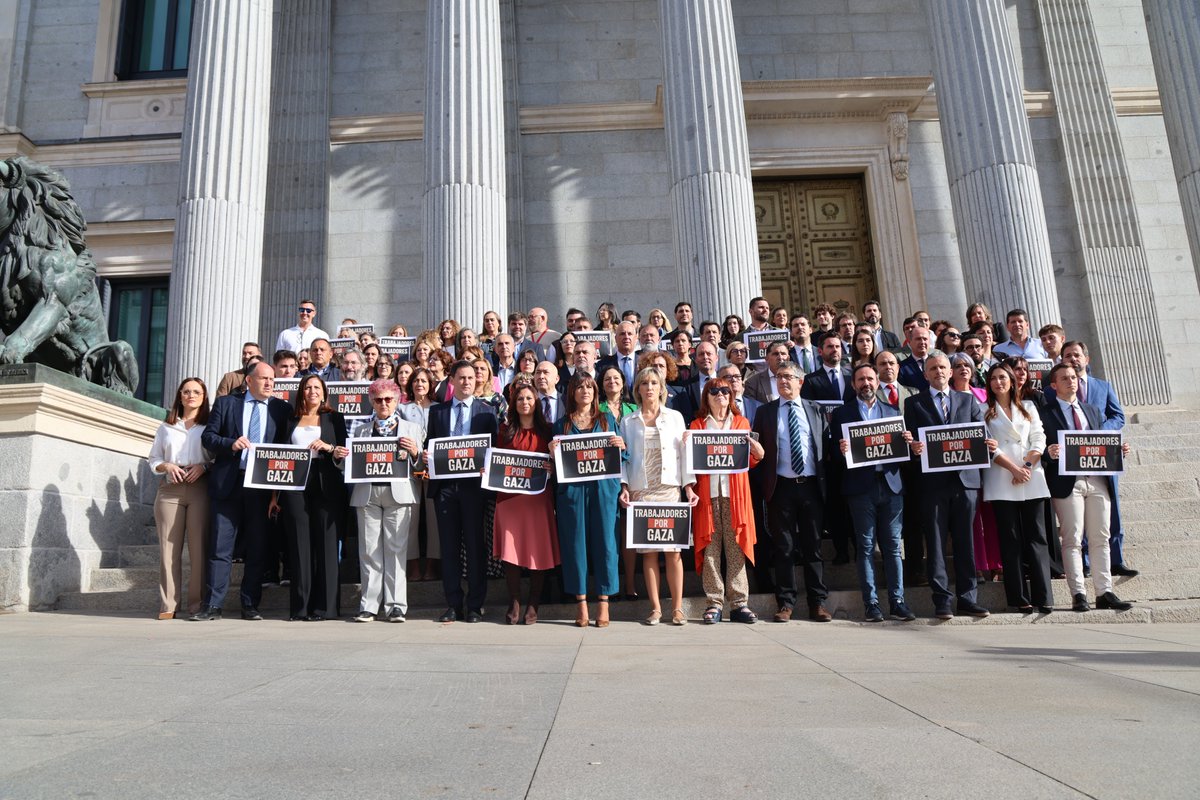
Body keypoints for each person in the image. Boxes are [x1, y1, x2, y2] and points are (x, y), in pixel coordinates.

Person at [192, 361, 292, 621]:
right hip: (229, 484)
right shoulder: (226, 404)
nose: (270, 383)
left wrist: (275, 495)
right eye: (264, 379)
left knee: (258, 548)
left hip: (261, 487)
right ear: (249, 381)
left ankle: (250, 605)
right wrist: (231, 444)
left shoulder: (282, 410)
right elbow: (208, 438)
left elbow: (286, 449)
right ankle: (212, 605)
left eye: (272, 379)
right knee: (220, 547)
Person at [905, 351, 996, 619]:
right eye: (933, 368)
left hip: (965, 482)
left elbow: (981, 433)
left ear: (951, 370)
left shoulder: (967, 401)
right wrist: (914, 447)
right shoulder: (914, 404)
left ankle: (968, 598)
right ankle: (942, 599)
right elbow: (909, 442)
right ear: (925, 374)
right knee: (934, 544)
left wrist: (989, 443)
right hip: (932, 485)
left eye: (943, 367)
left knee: (965, 541)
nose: (939, 372)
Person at [1042, 363, 1133, 612]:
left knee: (1100, 537)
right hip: (1067, 483)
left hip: (1096, 479)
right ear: (1053, 384)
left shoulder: (1092, 411)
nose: (1071, 381)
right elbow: (1039, 448)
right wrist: (1048, 453)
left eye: (1073, 377)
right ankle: (1078, 593)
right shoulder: (1045, 413)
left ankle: (1104, 592)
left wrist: (1118, 450)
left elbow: (1098, 443)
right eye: (1064, 378)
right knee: (1072, 538)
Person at [831, 364, 916, 622]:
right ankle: (871, 604)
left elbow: (904, 455)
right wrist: (841, 448)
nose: (866, 383)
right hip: (860, 488)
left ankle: (898, 602)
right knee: (866, 546)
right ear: (853, 384)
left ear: (877, 382)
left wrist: (908, 443)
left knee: (892, 547)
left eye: (870, 378)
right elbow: (833, 456)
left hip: (891, 486)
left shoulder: (892, 411)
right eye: (860, 379)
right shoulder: (841, 414)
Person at [750, 363, 832, 623]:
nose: (783, 381)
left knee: (813, 548)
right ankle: (785, 603)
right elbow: (758, 453)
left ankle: (817, 602)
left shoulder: (816, 410)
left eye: (789, 377)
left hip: (811, 487)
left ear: (801, 380)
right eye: (780, 377)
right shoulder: (765, 412)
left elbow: (825, 447)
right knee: (784, 548)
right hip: (781, 488)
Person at [619, 368, 698, 626]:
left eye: (654, 382)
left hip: (669, 490)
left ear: (662, 387)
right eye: (645, 383)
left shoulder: (675, 417)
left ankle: (677, 608)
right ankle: (654, 608)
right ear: (638, 389)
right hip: (642, 491)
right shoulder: (628, 421)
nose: (650, 387)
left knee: (673, 551)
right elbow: (624, 458)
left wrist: (688, 486)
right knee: (649, 552)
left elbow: (684, 453)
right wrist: (624, 486)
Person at [425, 360, 499, 623]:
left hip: (474, 489)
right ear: (452, 380)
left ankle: (475, 605)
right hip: (445, 488)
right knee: (449, 547)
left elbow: (494, 450)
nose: (467, 382)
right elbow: (430, 445)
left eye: (471, 377)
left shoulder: (487, 412)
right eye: (462, 378)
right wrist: (426, 455)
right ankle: (453, 604)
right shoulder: (438, 412)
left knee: (475, 546)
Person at [271, 374, 348, 621]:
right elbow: (278, 455)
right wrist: (274, 495)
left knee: (326, 545)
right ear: (301, 392)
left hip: (326, 483)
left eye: (316, 387)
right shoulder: (289, 419)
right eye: (308, 387)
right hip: (294, 485)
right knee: (299, 545)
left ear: (324, 392)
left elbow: (345, 453)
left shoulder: (334, 418)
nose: (312, 391)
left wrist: (328, 447)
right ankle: (301, 608)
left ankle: (326, 608)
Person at [551, 373, 625, 627]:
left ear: (596, 392)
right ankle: (581, 602)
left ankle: (603, 601)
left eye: (589, 387)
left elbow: (621, 457)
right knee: (575, 545)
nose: (585, 390)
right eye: (580, 387)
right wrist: (552, 452)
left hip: (603, 489)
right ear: (571, 392)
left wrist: (620, 445)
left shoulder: (606, 420)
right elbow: (555, 464)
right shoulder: (562, 424)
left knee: (606, 542)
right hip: (573, 491)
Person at [689, 377, 763, 624]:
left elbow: (749, 462)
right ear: (706, 397)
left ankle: (739, 603)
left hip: (736, 495)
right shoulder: (697, 425)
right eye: (714, 391)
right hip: (707, 495)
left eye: (725, 390)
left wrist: (757, 452)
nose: (720, 394)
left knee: (736, 548)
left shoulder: (742, 423)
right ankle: (714, 603)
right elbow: (690, 462)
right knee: (710, 549)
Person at [348, 379, 422, 622]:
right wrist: (341, 457)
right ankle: (369, 605)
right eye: (378, 399)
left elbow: (422, 467)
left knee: (396, 550)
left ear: (397, 400)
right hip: (367, 494)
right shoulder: (359, 430)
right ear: (371, 401)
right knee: (369, 551)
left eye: (388, 399)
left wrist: (415, 453)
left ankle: (396, 605)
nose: (383, 404)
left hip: (398, 494)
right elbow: (350, 465)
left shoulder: (412, 429)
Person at [982, 364, 1053, 614]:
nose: (998, 382)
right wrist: (1013, 469)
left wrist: (1025, 466)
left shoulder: (1030, 407)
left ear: (1012, 381)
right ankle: (1018, 597)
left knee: (1037, 538)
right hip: (1003, 479)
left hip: (1031, 476)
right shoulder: (983, 411)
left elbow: (1039, 439)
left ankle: (1044, 596)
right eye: (993, 378)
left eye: (1003, 377)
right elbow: (989, 446)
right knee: (1010, 540)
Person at [492, 383, 560, 625]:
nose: (524, 402)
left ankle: (534, 601)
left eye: (529, 398)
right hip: (509, 500)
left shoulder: (548, 431)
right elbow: (497, 461)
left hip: (537, 500)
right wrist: (489, 469)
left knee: (537, 551)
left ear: (536, 402)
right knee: (511, 553)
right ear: (514, 403)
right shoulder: (504, 430)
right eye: (520, 398)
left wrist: (553, 466)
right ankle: (515, 601)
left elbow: (558, 463)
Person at [148, 377, 213, 620]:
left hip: (200, 487)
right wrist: (166, 466)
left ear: (204, 396)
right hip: (170, 489)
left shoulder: (209, 425)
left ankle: (196, 605)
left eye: (196, 391)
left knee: (198, 548)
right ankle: (168, 604)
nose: (191, 395)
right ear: (180, 396)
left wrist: (204, 467)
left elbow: (217, 456)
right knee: (168, 549)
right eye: (186, 391)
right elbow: (153, 459)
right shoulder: (166, 426)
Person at [400, 367, 439, 581]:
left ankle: (432, 565)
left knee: (434, 520)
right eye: (415, 380)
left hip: (434, 470)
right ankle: (413, 565)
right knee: (410, 519)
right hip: (409, 469)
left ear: (430, 384)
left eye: (424, 380)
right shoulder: (401, 409)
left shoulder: (439, 408)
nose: (419, 384)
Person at [800, 336, 852, 402]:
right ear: (820, 351)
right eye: (830, 346)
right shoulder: (810, 380)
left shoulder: (852, 376)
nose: (835, 349)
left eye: (837, 346)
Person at [597, 320, 640, 388]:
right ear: (615, 338)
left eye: (630, 334)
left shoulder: (645, 362)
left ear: (636, 338)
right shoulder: (603, 365)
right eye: (622, 334)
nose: (626, 337)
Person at [898, 324, 932, 392]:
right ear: (909, 342)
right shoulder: (902, 367)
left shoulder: (938, 363)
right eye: (918, 339)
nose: (922, 342)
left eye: (925, 339)